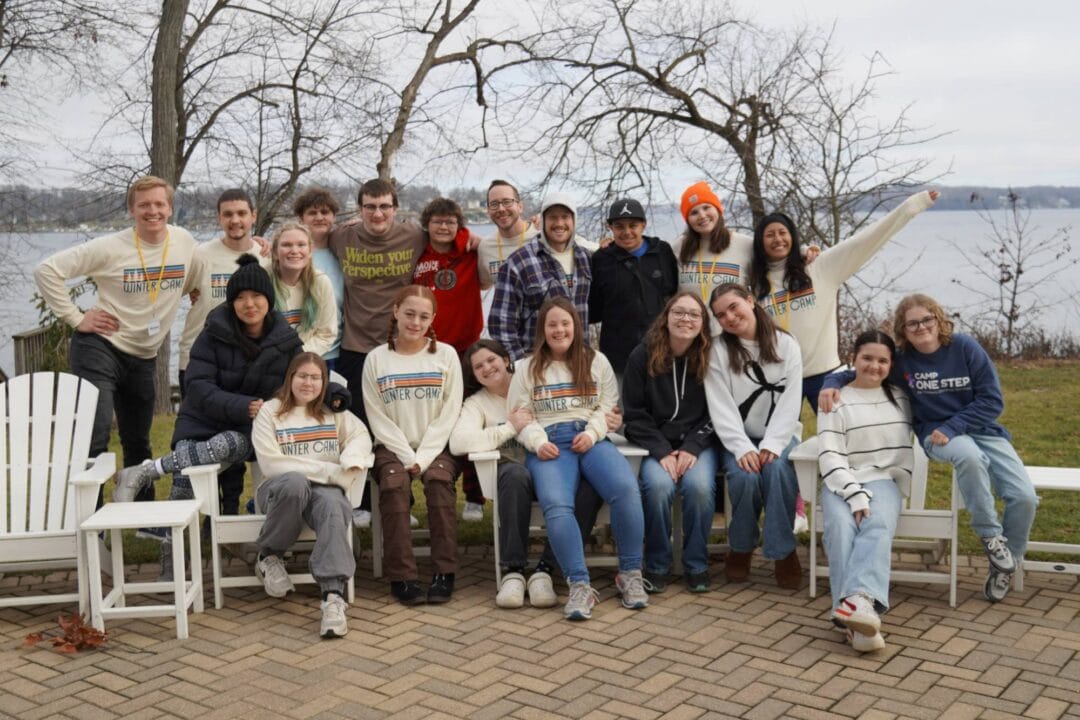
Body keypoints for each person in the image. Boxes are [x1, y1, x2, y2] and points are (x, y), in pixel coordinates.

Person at [819, 294, 1038, 603]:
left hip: (982, 430)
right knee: (970, 457)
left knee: (1025, 498)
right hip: (936, 434)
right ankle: (989, 534)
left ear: (938, 319)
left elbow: (992, 400)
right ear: (903, 330)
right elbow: (860, 368)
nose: (921, 327)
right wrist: (830, 382)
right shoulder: (904, 360)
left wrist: (954, 426)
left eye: (927, 319)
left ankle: (1006, 563)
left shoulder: (964, 348)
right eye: (912, 323)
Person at [114, 255, 302, 573]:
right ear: (230, 303)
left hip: (250, 429)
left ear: (268, 300)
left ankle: (149, 471)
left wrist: (264, 408)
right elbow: (198, 387)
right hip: (203, 419)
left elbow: (299, 383)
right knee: (187, 468)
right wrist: (242, 404)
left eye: (256, 296)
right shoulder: (213, 332)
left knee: (228, 443)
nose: (249, 304)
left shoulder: (286, 342)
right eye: (240, 298)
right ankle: (172, 563)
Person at [34, 176, 200, 503]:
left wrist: (194, 287)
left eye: (159, 204)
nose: (152, 211)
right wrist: (77, 318)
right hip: (100, 347)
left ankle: (143, 519)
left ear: (170, 208)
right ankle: (91, 520)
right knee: (94, 436)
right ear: (131, 209)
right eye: (144, 205)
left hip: (144, 355)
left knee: (138, 441)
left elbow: (197, 268)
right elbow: (47, 270)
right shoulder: (109, 247)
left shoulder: (183, 240)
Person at [508, 297, 647, 620]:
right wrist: (537, 441)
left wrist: (593, 432)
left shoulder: (596, 361)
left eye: (565, 323)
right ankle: (579, 585)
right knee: (557, 504)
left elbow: (608, 406)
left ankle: (630, 574)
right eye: (552, 324)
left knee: (625, 489)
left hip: (591, 438)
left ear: (576, 326)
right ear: (543, 329)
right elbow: (518, 416)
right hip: (550, 443)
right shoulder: (526, 367)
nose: (559, 330)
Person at [749, 190, 938, 411]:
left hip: (824, 375)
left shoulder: (820, 268)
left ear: (793, 236)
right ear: (760, 242)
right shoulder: (755, 282)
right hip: (779, 376)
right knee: (781, 443)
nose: (778, 239)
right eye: (769, 235)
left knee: (837, 439)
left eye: (783, 232)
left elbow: (867, 239)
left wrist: (912, 206)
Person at [251, 352, 373, 639]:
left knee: (333, 502)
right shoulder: (270, 411)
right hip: (279, 490)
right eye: (302, 376)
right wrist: (331, 472)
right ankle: (269, 556)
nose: (308, 383)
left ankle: (332, 597)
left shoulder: (333, 411)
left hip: (321, 491)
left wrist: (351, 458)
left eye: (315, 377)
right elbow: (271, 464)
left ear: (324, 382)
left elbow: (361, 436)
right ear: (290, 378)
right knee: (295, 482)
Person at [362, 286, 464, 606]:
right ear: (395, 311)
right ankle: (403, 577)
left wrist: (424, 457)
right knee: (393, 483)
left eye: (423, 316)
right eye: (409, 313)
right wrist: (408, 456)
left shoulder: (446, 355)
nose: (415, 322)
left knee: (437, 480)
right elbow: (377, 418)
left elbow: (449, 413)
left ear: (432, 318)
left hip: (436, 445)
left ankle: (443, 573)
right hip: (392, 445)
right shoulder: (376, 359)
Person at [817, 330, 914, 653]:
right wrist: (854, 494)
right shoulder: (833, 397)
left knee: (876, 524)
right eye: (867, 358)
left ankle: (852, 608)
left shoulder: (902, 396)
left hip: (884, 479)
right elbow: (830, 453)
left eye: (883, 360)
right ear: (854, 358)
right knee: (841, 528)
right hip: (840, 481)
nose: (874, 366)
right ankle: (860, 617)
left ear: (891, 364)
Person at [704, 284, 803, 588]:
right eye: (721, 315)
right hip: (736, 437)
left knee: (778, 470)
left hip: (781, 434)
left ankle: (783, 550)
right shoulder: (718, 351)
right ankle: (742, 547)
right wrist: (742, 447)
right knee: (745, 477)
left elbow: (790, 401)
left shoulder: (786, 344)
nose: (730, 317)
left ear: (750, 300)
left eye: (734, 307)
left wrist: (773, 444)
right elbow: (720, 405)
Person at [448, 339, 558, 609]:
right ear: (473, 375)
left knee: (578, 483)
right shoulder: (477, 404)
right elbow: (459, 442)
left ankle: (546, 569)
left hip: (550, 466)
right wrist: (509, 428)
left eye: (491, 360)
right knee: (514, 474)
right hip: (513, 478)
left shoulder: (533, 384)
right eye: (478, 366)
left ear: (506, 360)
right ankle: (514, 572)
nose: (486, 368)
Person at [622, 292, 719, 593]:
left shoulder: (712, 357)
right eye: (679, 312)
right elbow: (634, 414)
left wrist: (691, 447)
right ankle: (658, 563)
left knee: (699, 487)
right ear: (666, 317)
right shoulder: (642, 354)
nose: (685, 319)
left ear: (702, 323)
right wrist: (662, 451)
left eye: (694, 314)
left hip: (699, 444)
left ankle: (696, 563)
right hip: (656, 444)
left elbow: (721, 412)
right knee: (658, 487)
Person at [412, 196, 485, 520]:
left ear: (459, 225)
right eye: (437, 221)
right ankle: (412, 496)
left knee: (469, 418)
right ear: (427, 224)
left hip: (467, 347)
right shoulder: (418, 254)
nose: (443, 227)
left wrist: (468, 238)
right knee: (425, 420)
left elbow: (506, 242)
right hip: (427, 350)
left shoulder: (470, 249)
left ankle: (474, 496)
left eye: (450, 222)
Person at [178, 188, 270, 395]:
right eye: (228, 214)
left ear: (253, 216)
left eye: (241, 213)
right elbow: (169, 293)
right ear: (219, 218)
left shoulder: (266, 258)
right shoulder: (199, 256)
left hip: (248, 362)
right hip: (199, 359)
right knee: (197, 425)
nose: (235, 220)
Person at [489, 193, 592, 361]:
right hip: (537, 364)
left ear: (574, 221)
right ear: (542, 221)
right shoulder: (518, 262)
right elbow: (501, 325)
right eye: (552, 217)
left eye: (565, 217)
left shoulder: (585, 258)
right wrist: (521, 367)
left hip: (579, 362)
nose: (559, 223)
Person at [588, 197, 679, 375]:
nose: (627, 232)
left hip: (660, 351)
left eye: (633, 225)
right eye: (619, 226)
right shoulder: (601, 259)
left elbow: (674, 292)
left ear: (643, 225)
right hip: (618, 358)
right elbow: (594, 310)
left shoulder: (662, 251)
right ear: (610, 227)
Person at [668, 182, 754, 337]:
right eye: (694, 212)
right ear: (688, 220)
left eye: (706, 207)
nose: (702, 215)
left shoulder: (745, 244)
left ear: (718, 209)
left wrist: (804, 252)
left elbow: (776, 255)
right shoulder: (679, 247)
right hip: (692, 338)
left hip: (732, 337)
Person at [293, 187, 346, 370]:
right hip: (301, 349)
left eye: (325, 212)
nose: (319, 217)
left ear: (334, 217)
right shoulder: (293, 255)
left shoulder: (343, 252)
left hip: (337, 350)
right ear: (301, 218)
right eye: (312, 213)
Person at [270, 222, 338, 357]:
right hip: (270, 360)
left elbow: (326, 333)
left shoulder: (321, 282)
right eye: (286, 245)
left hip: (306, 359)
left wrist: (298, 354)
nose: (294, 251)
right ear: (275, 252)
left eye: (301, 245)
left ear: (310, 251)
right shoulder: (263, 280)